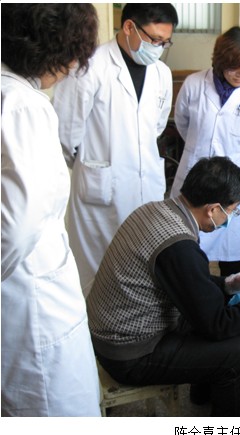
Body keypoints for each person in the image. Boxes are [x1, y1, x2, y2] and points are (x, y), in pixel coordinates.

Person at [86, 156, 240, 417]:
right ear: (213, 209)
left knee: (221, 316)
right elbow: (218, 325)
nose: (230, 217)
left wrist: (227, 284)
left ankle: (205, 394)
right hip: (130, 355)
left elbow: (186, 284)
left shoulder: (155, 210)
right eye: (232, 211)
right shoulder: (179, 245)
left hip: (111, 334)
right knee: (239, 354)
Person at [1, 4, 101, 416]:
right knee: (55, 405)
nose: (73, 65)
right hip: (33, 297)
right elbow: (16, 227)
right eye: (73, 54)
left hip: (27, 289)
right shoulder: (22, 105)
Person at [53, 3, 178, 296]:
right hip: (101, 193)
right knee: (98, 273)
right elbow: (64, 132)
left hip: (146, 186)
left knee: (143, 268)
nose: (158, 48)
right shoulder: (89, 66)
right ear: (129, 27)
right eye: (154, 39)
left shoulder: (161, 73)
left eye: (165, 42)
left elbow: (156, 127)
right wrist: (92, 165)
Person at [170, 26, 240, 277]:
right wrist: (200, 147)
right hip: (196, 178)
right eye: (234, 68)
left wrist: (236, 157)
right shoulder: (194, 84)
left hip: (233, 185)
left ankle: (229, 297)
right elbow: (182, 124)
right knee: (189, 249)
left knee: (231, 253)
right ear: (220, 61)